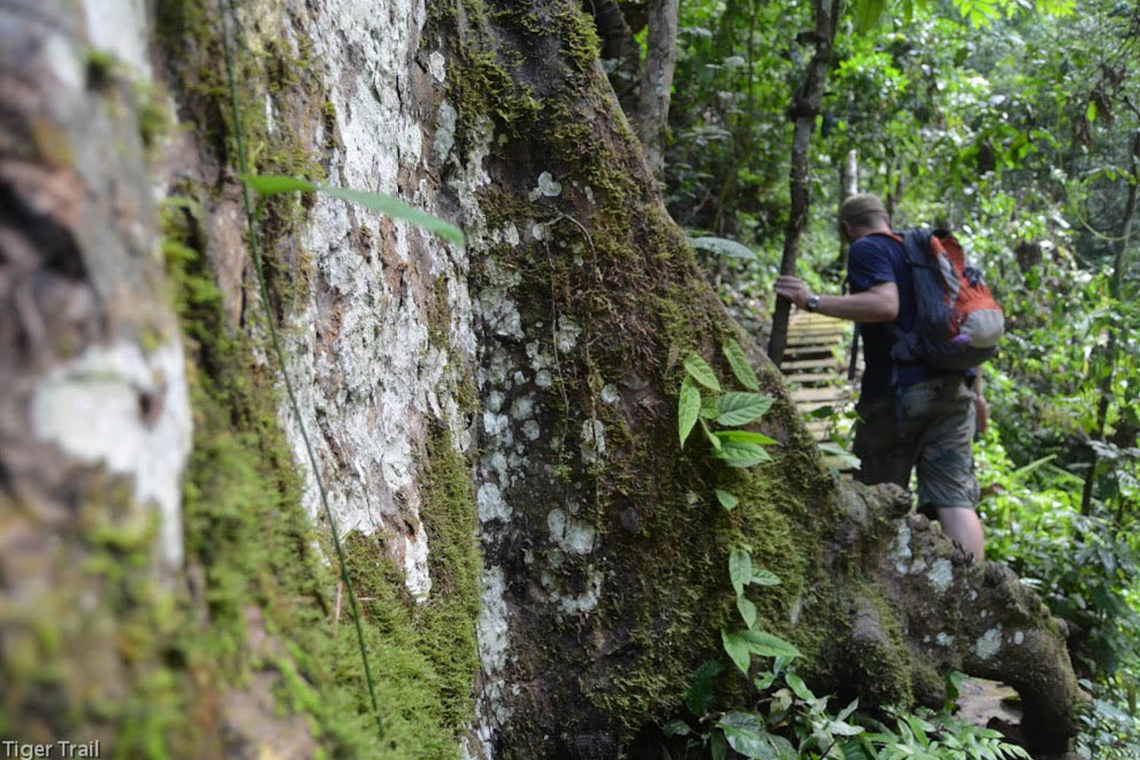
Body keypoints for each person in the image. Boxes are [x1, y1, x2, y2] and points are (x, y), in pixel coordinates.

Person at [774, 193, 987, 561]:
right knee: (955, 498)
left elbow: (886, 305)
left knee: (877, 495)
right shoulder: (923, 253)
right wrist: (979, 395)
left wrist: (812, 301)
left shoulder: (867, 248)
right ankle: (971, 595)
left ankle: (870, 583)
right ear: (885, 217)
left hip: (901, 393)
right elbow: (961, 322)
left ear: (847, 229)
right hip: (956, 390)